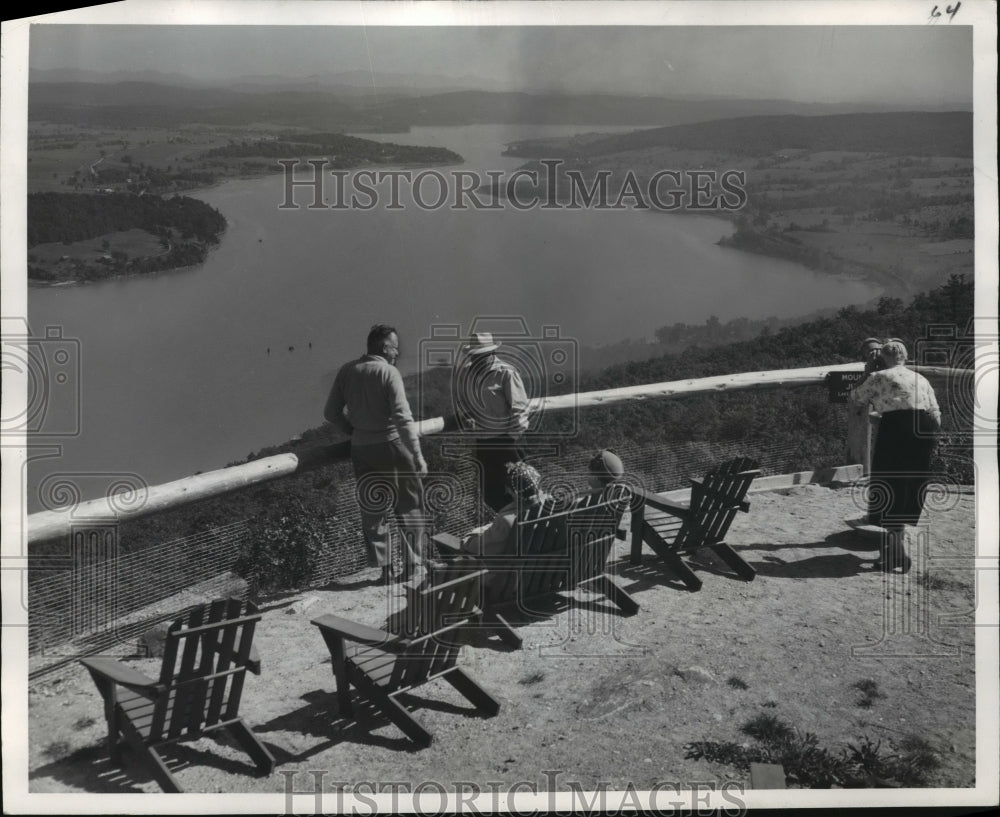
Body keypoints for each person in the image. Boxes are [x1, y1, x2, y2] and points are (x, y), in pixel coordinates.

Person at [324, 324, 429, 585]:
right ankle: (412, 565)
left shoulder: (347, 370)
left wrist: (353, 430)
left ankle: (384, 571)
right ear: (384, 348)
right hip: (392, 445)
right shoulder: (388, 372)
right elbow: (403, 418)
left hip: (361, 449)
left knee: (374, 509)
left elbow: (330, 413)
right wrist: (417, 455)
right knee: (409, 505)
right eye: (395, 348)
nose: (398, 353)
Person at [850, 339, 941, 572]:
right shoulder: (921, 378)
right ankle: (894, 548)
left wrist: (869, 372)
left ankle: (896, 551)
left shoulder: (879, 377)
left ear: (883, 358)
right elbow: (934, 411)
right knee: (908, 486)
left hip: (896, 431)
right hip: (924, 430)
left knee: (888, 483)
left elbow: (856, 398)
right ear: (906, 357)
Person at [454, 332, 532, 512]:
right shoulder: (466, 373)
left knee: (524, 488)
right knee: (491, 494)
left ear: (491, 353)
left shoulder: (506, 372)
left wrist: (511, 439)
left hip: (508, 441)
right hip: (484, 442)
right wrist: (467, 416)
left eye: (480, 355)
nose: (476, 360)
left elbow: (519, 409)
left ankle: (530, 525)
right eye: (474, 355)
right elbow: (463, 402)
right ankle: (510, 525)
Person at [460, 461, 547, 558]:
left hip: (516, 572)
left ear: (509, 490)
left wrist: (471, 536)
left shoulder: (507, 521)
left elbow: (473, 547)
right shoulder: (553, 507)